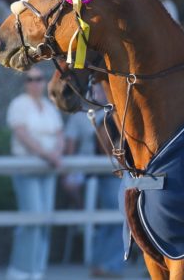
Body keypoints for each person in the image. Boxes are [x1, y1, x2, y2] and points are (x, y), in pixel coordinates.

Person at [6, 66, 64, 280]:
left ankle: (37, 270)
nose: (35, 83)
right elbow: (22, 135)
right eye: (31, 79)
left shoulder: (49, 106)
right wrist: (47, 155)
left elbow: (60, 135)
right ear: (25, 83)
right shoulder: (18, 104)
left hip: (48, 169)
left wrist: (56, 153)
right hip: (27, 167)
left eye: (39, 79)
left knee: (45, 219)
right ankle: (20, 270)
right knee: (32, 219)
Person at [64, 84, 124, 278]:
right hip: (106, 173)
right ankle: (107, 265)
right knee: (117, 218)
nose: (101, 93)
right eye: (98, 90)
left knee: (113, 219)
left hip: (111, 173)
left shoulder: (114, 113)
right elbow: (104, 146)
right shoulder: (106, 117)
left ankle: (102, 263)